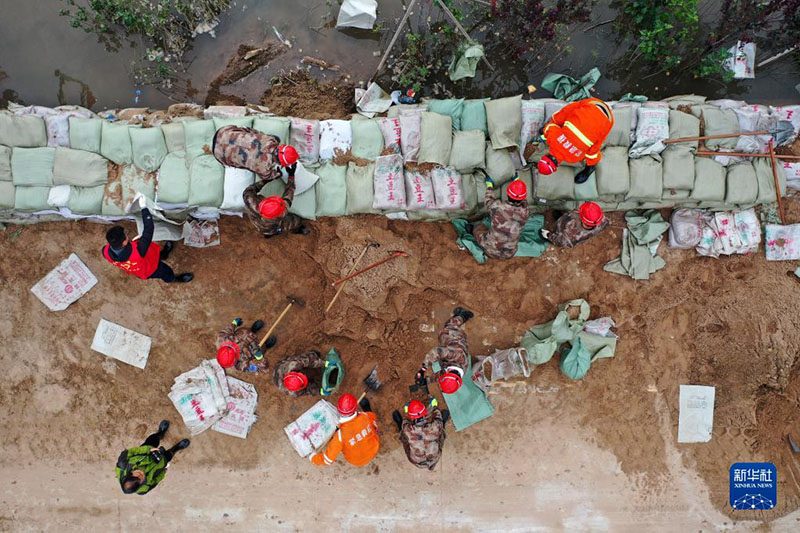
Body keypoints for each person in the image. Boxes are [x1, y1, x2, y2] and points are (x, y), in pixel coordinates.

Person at [103, 197, 193, 283]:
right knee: (165, 271)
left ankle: (163, 255)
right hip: (150, 268)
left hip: (141, 264)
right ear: (124, 242)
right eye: (125, 235)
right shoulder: (138, 251)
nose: (127, 235)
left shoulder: (106, 252)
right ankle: (173, 279)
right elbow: (148, 230)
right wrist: (144, 208)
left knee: (155, 255)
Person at [537, 98, 614, 184]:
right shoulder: (553, 138)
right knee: (558, 118)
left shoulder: (573, 158)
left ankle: (590, 168)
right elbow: (550, 127)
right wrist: (543, 131)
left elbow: (580, 153)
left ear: (558, 165)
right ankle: (590, 167)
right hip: (593, 103)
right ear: (546, 155)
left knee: (592, 151)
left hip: (608, 120)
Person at [467, 171, 530, 260]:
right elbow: (523, 201)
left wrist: (489, 186)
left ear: (507, 194)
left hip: (490, 250)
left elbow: (488, 201)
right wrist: (517, 182)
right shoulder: (525, 211)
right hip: (509, 254)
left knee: (478, 227)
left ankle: (472, 232)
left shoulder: (498, 207)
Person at [115, 420, 190, 495]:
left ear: (129, 474)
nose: (141, 474)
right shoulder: (144, 489)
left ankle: (160, 433)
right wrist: (163, 472)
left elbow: (130, 452)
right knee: (168, 455)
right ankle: (176, 448)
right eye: (141, 479)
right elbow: (155, 481)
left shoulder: (122, 464)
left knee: (153, 439)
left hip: (146, 452)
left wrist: (148, 449)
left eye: (137, 474)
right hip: (159, 464)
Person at [241, 162, 309, 238]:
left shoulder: (250, 201)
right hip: (272, 225)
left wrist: (268, 179)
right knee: (294, 221)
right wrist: (291, 175)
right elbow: (289, 192)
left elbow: (250, 190)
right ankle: (297, 229)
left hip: (258, 223)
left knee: (266, 230)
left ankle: (268, 234)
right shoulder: (281, 214)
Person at [311, 393, 380, 467]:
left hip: (356, 461)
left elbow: (328, 460)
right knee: (372, 422)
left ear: (338, 409)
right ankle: (366, 407)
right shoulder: (365, 416)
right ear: (355, 408)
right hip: (374, 449)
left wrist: (313, 458)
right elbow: (373, 417)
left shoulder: (340, 436)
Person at [417, 307, 474, 395]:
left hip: (451, 347)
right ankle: (463, 315)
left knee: (445, 335)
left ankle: (460, 317)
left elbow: (441, 375)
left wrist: (426, 381)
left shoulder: (454, 373)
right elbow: (437, 352)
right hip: (455, 338)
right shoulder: (457, 356)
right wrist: (423, 368)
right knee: (449, 325)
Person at [212, 125, 299, 181]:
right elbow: (269, 176)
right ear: (280, 162)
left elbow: (254, 133)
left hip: (223, 132)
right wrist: (279, 174)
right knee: (245, 165)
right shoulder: (264, 169)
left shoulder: (270, 140)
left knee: (251, 133)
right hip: (219, 154)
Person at [392, 398, 448, 470]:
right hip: (434, 458)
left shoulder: (408, 430)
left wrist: (407, 411)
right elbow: (438, 417)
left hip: (416, 461)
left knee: (404, 436)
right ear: (425, 412)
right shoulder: (435, 426)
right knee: (440, 432)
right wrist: (434, 406)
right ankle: (443, 423)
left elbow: (405, 421)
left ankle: (399, 424)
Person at [540, 201, 609, 248]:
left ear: (583, 219)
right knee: (561, 217)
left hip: (562, 229)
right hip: (566, 220)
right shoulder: (602, 221)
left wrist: (548, 235)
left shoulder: (571, 236)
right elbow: (606, 222)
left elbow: (560, 242)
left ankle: (548, 234)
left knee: (558, 228)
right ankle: (560, 217)